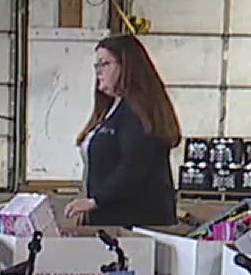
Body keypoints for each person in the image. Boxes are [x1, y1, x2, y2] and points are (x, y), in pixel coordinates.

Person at [67, 34, 181, 228]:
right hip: (109, 217)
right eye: (97, 65)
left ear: (126, 66)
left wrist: (95, 201)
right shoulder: (111, 110)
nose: (98, 72)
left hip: (133, 221)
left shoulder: (138, 111)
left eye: (104, 64)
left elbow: (135, 165)